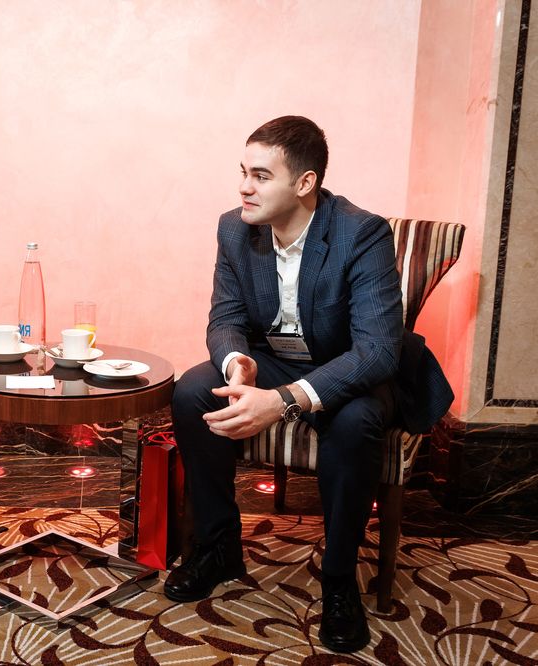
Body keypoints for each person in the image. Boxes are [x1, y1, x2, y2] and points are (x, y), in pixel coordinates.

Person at [166, 116, 452, 653]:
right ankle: (218, 546)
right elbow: (226, 319)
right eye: (243, 172)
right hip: (275, 360)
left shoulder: (360, 233)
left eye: (260, 176)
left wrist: (282, 402)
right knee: (192, 392)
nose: (244, 187)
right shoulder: (235, 228)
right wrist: (238, 365)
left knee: (356, 421)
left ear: (304, 183)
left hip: (354, 367)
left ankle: (339, 579)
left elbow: (377, 350)